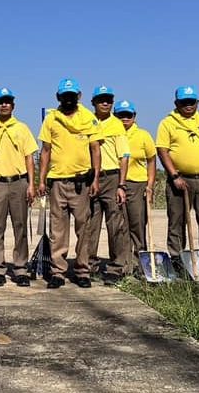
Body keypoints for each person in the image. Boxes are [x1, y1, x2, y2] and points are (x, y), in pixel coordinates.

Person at [37, 78, 101, 289]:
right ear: (58, 97)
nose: (68, 99)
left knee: (84, 228)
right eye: (65, 96)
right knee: (57, 229)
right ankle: (58, 271)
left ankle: (82, 271)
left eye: (72, 96)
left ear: (78, 96)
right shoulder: (51, 119)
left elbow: (95, 149)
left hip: (81, 182)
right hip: (57, 182)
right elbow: (45, 150)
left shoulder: (88, 117)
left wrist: (96, 178)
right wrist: (41, 180)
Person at [155, 86, 199, 269]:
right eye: (184, 102)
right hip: (179, 180)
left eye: (191, 101)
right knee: (177, 221)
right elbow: (162, 151)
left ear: (197, 102)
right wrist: (174, 175)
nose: (188, 105)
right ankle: (177, 261)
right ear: (176, 103)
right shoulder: (167, 123)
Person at [0, 87, 37, 287]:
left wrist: (31, 184)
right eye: (0, 102)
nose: (4, 105)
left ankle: (20, 269)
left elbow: (29, 158)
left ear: (13, 105)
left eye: (7, 101)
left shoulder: (22, 128)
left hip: (19, 182)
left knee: (20, 227)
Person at [84, 85, 132, 285]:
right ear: (93, 102)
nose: (105, 103)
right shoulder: (87, 121)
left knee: (115, 225)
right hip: (91, 178)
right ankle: (89, 266)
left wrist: (121, 184)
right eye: (101, 100)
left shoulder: (116, 125)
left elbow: (124, 156)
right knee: (90, 225)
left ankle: (116, 267)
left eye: (109, 100)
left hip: (111, 178)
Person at [114, 99, 157, 275]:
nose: (125, 118)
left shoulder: (143, 135)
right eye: (121, 115)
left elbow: (151, 160)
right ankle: (124, 264)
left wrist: (150, 185)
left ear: (134, 116)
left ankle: (140, 263)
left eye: (128, 115)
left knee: (137, 224)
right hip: (116, 184)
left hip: (137, 184)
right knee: (120, 226)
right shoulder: (111, 134)